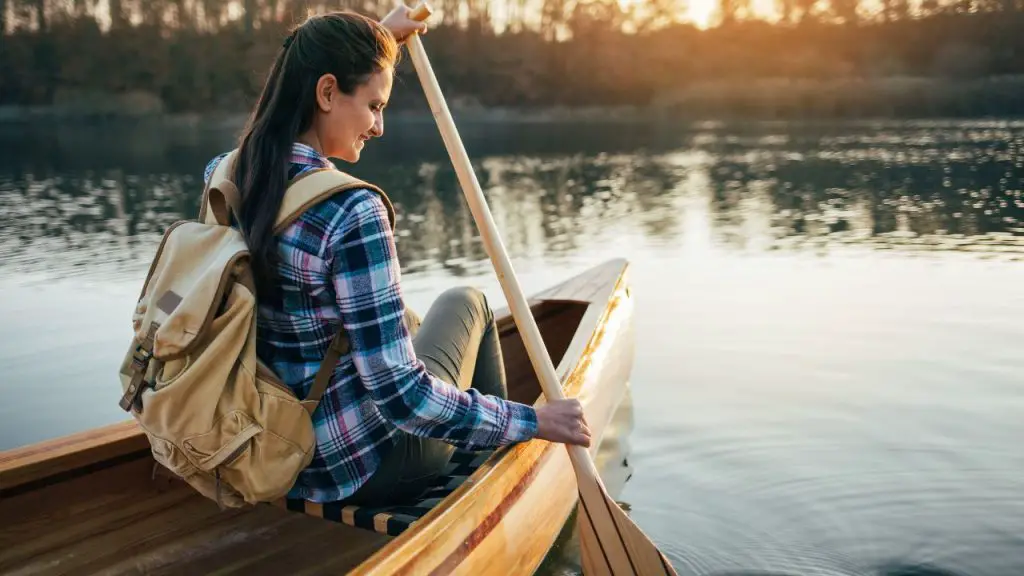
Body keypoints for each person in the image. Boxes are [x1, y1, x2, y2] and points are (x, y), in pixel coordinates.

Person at [201, 7, 591, 507]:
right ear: (325, 93)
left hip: (268, 447)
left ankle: (492, 443)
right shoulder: (351, 211)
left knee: (406, 319)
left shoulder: (228, 176)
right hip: (357, 467)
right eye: (374, 105)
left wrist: (379, 40)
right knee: (465, 301)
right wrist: (532, 419)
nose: (379, 126)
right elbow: (403, 398)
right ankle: (494, 480)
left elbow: (292, 97)